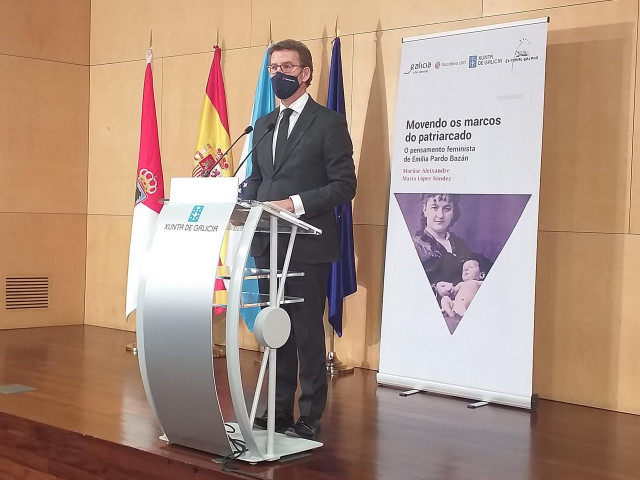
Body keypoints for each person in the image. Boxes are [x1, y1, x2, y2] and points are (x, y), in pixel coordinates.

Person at [241, 39, 356, 440]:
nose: (278, 75)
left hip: (306, 244)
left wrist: (295, 203)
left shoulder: (327, 123)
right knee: (276, 329)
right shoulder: (264, 124)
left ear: (305, 73)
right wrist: (242, 201)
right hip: (267, 242)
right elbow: (259, 179)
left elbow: (345, 185)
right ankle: (277, 410)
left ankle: (309, 415)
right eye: (273, 68)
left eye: (287, 67)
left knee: (306, 330)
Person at [413, 193, 471, 285]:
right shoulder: (416, 247)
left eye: (447, 209)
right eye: (434, 208)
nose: (440, 215)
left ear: (453, 213)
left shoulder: (460, 245)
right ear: (424, 210)